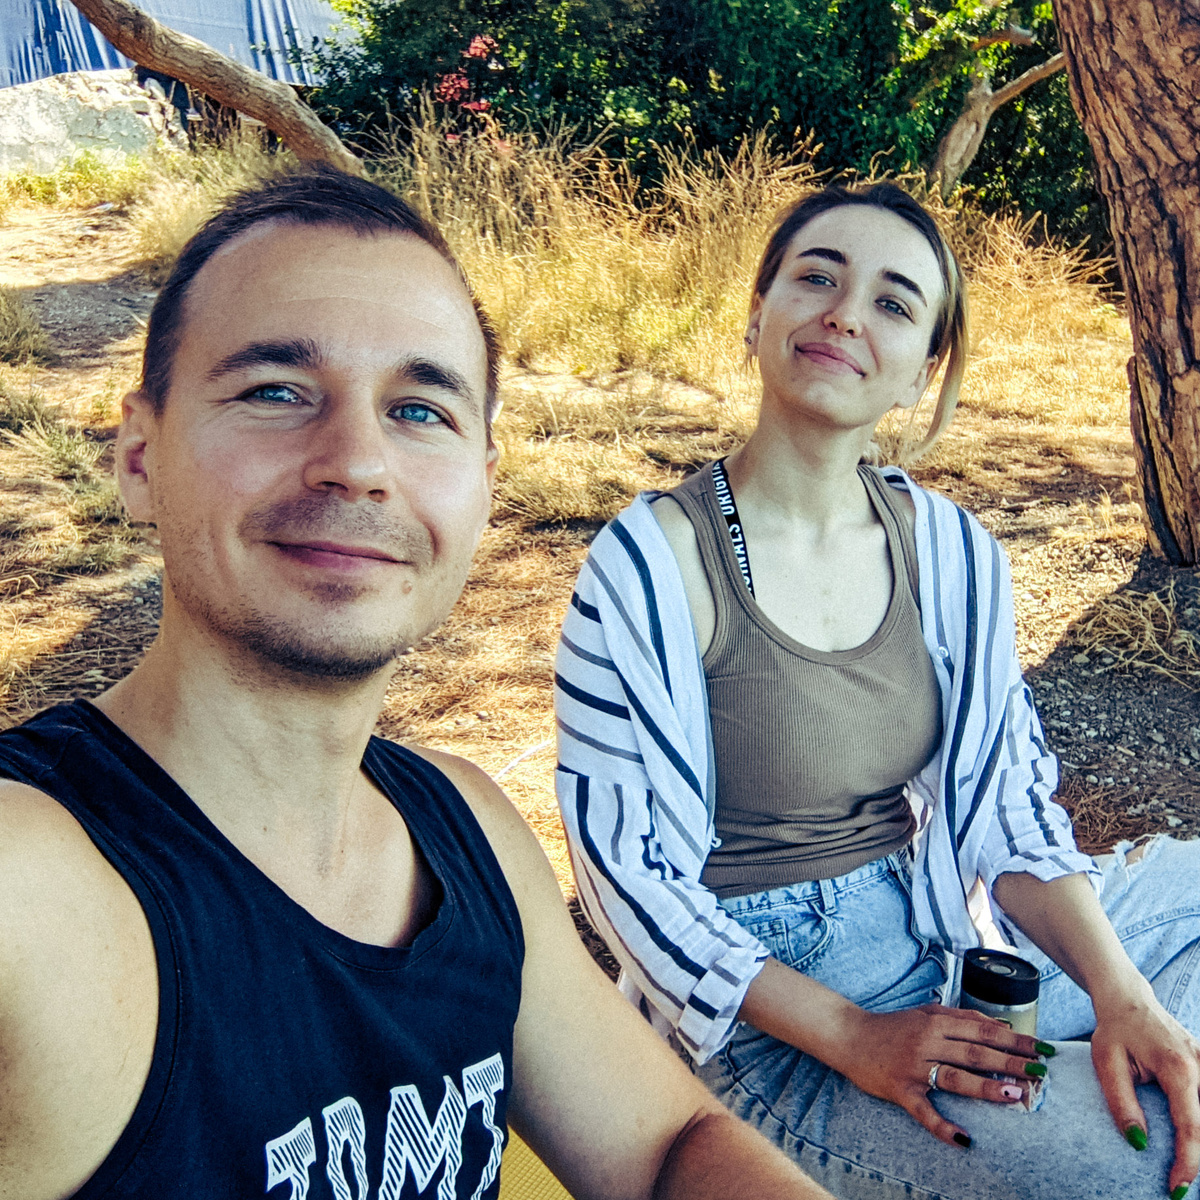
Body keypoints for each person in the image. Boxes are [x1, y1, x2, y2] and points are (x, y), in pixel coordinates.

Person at [0, 167, 835, 1200]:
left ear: (483, 484)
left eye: (419, 409)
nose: (357, 462)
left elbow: (669, 1146)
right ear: (138, 457)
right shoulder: (31, 880)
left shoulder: (467, 828)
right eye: (274, 391)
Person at [554, 181, 1200, 1200]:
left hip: (944, 933)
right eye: (817, 277)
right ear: (758, 314)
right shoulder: (650, 562)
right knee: (1154, 1159)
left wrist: (1124, 996)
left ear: (920, 372)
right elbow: (625, 881)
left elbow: (1006, 811)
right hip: (778, 1029)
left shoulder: (950, 551)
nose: (847, 314)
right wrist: (853, 1033)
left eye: (894, 302)